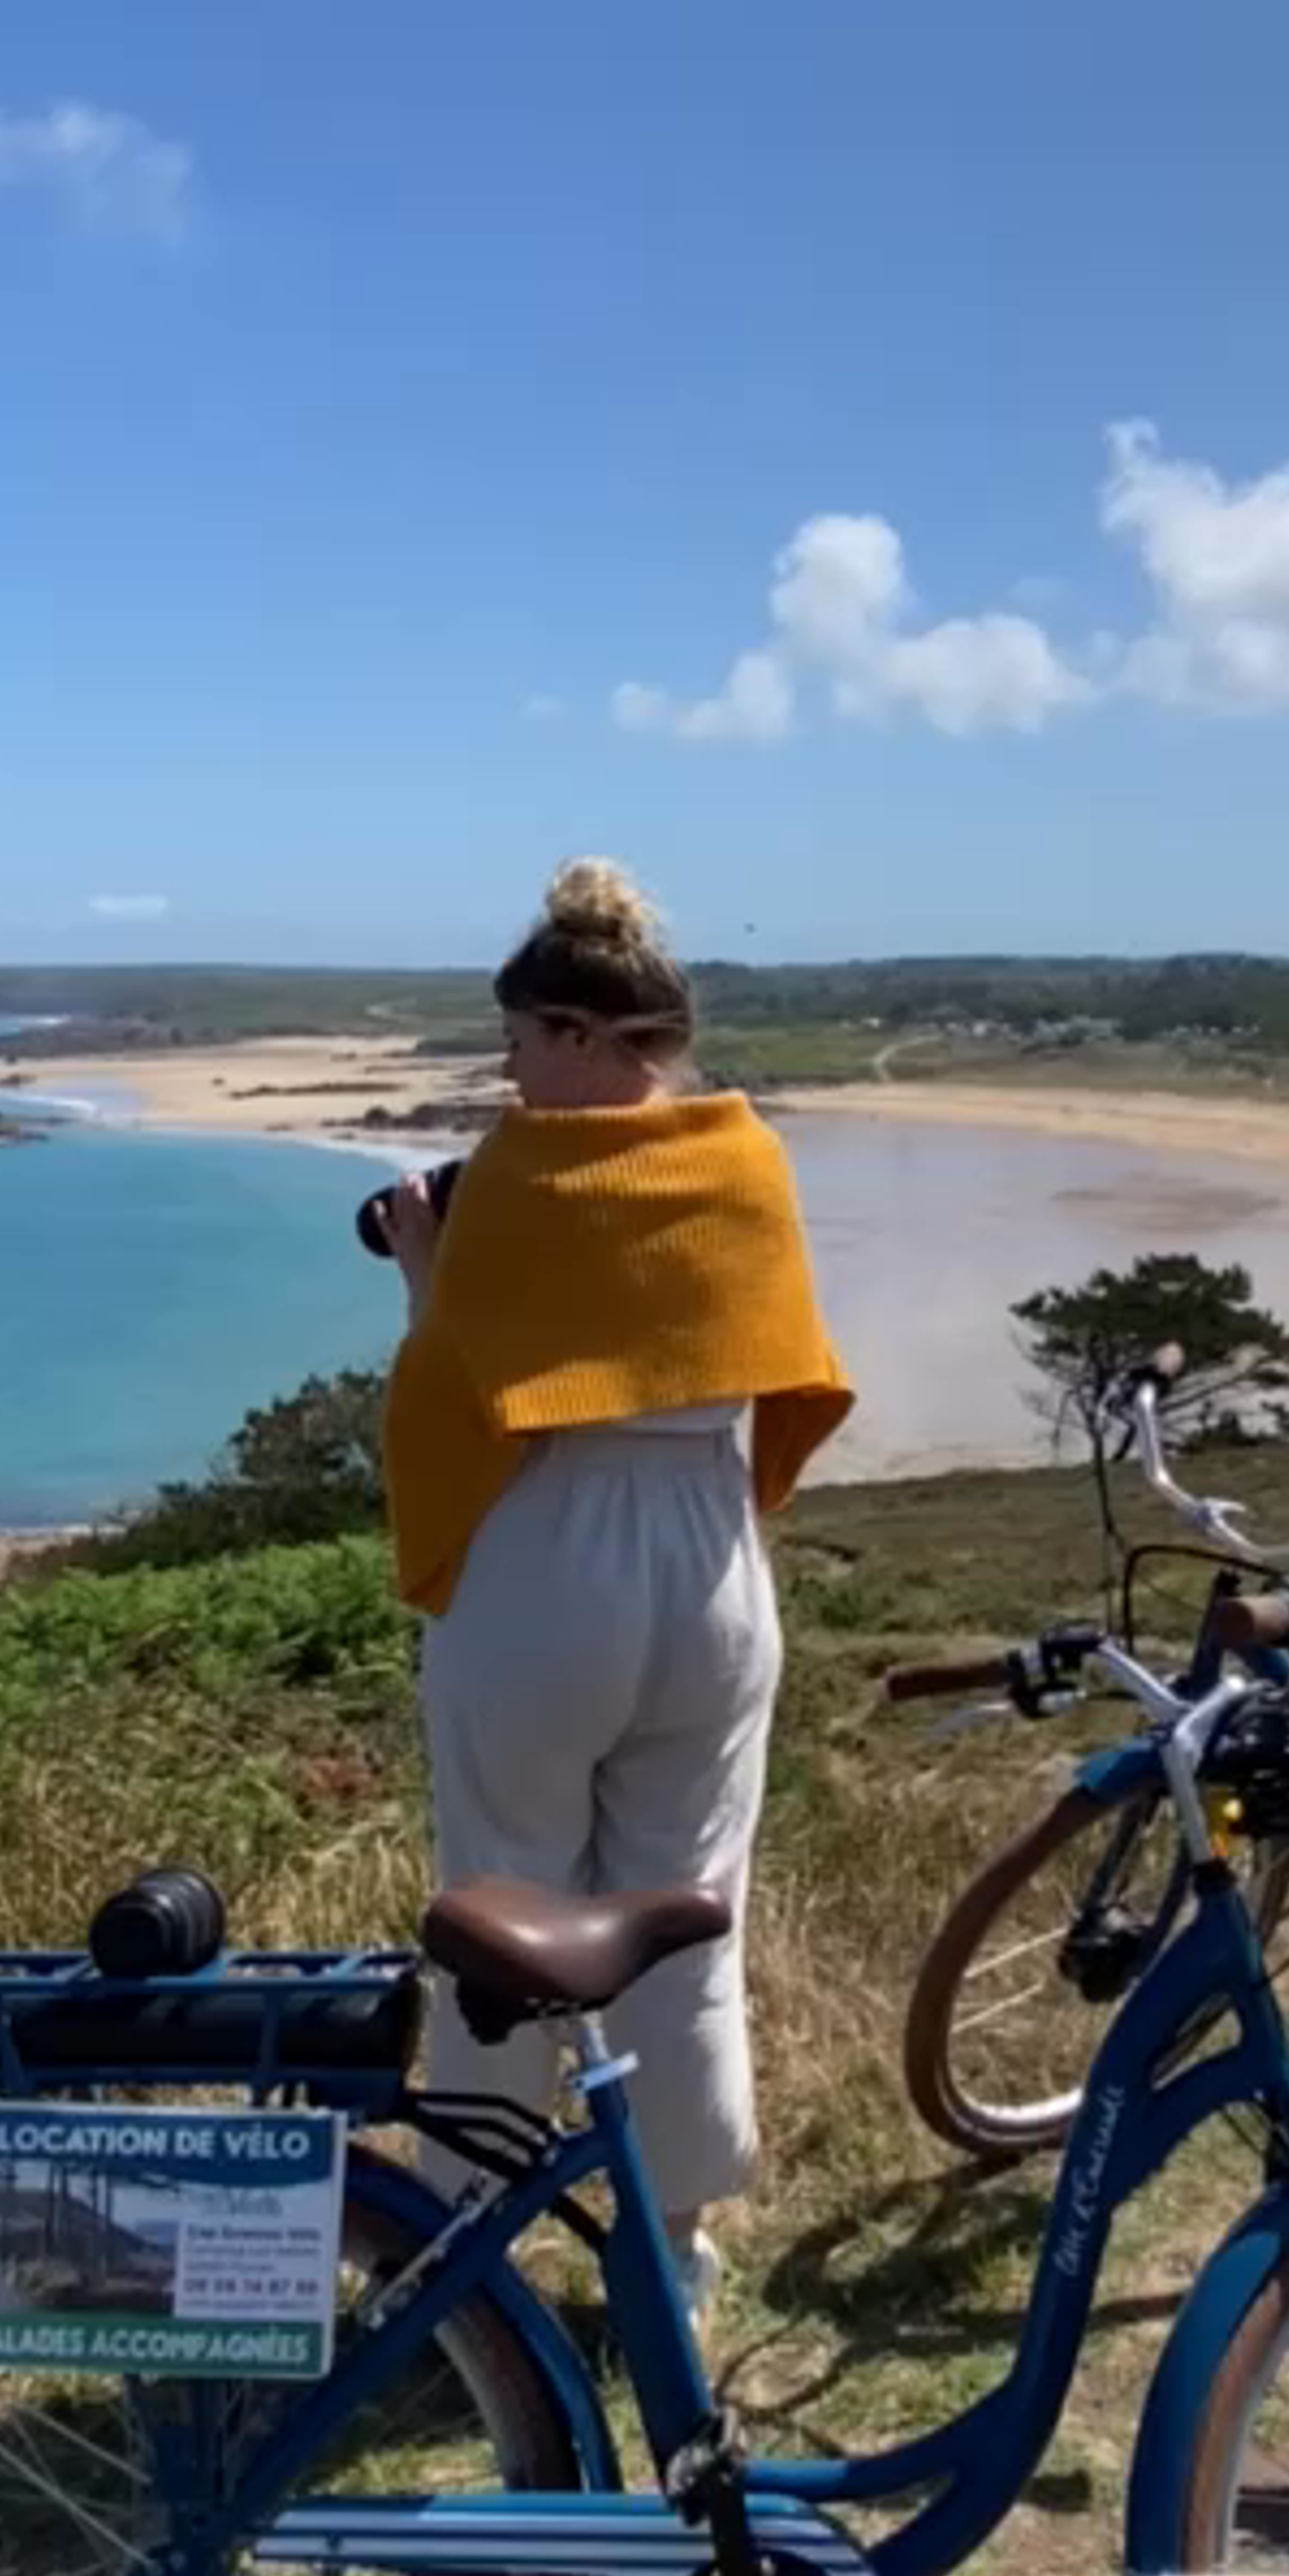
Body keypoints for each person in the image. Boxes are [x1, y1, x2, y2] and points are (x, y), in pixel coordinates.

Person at [378, 859, 851, 2298]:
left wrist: (424, 1270)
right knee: (690, 1900)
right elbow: (772, 1372)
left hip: (549, 1549)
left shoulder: (518, 1177)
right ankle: (682, 2240)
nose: (510, 1074)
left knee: (499, 1900)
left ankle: (471, 2235)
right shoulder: (747, 1158)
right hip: (712, 1554)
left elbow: (459, 1384)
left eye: (522, 1040)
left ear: (582, 1033)